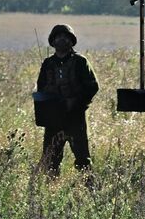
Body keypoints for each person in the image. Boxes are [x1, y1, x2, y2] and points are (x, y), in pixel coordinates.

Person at [36, 24, 99, 174]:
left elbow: (93, 87)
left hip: (75, 117)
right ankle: (51, 189)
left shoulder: (80, 62)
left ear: (71, 41)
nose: (62, 40)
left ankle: (90, 189)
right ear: (53, 41)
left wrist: (76, 102)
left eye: (65, 37)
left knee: (83, 159)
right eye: (58, 37)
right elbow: (41, 88)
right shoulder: (48, 64)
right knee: (50, 159)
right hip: (54, 118)